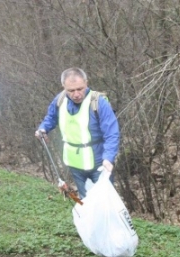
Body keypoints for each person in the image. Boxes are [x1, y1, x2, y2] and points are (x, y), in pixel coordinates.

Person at [35, 67, 120, 199]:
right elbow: (51, 118)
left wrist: (108, 158)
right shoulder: (60, 100)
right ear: (63, 86)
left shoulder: (99, 103)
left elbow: (112, 133)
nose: (76, 94)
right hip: (75, 163)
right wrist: (43, 128)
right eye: (71, 90)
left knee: (104, 202)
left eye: (80, 89)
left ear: (86, 82)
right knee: (85, 200)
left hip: (99, 164)